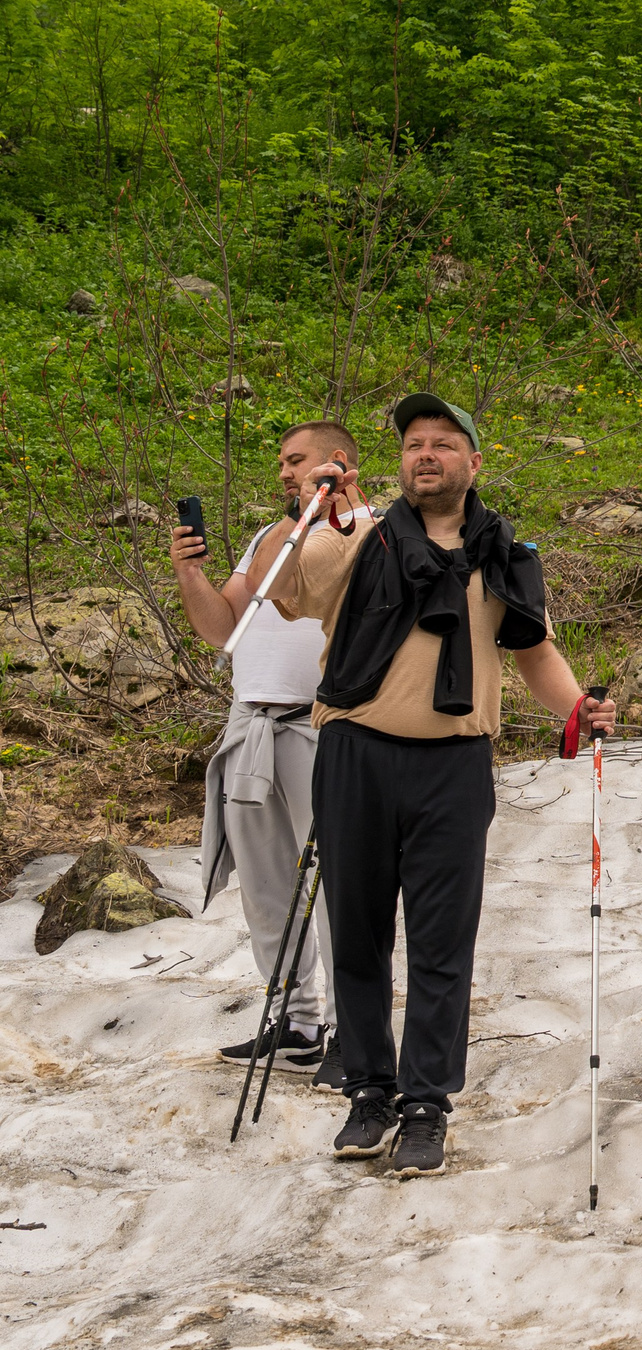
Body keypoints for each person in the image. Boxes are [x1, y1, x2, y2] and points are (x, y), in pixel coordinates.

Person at [267, 392, 613, 1179]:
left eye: (443, 443)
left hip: (453, 766)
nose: (425, 454)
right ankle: (369, 1091)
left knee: (441, 944)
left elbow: (534, 651)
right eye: (414, 443)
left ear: (473, 463)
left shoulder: (502, 554)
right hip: (354, 754)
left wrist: (577, 709)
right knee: (357, 935)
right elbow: (281, 589)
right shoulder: (356, 535)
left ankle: (425, 1106)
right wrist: (307, 510)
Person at [172, 426, 373, 1086]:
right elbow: (223, 626)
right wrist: (190, 572)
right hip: (250, 725)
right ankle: (296, 1020)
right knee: (267, 888)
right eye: (282, 463)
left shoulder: (372, 531)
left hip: (324, 725)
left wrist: (319, 510)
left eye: (297, 461)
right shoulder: (270, 536)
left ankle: (354, 1030)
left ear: (337, 462)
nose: (285, 471)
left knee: (340, 887)